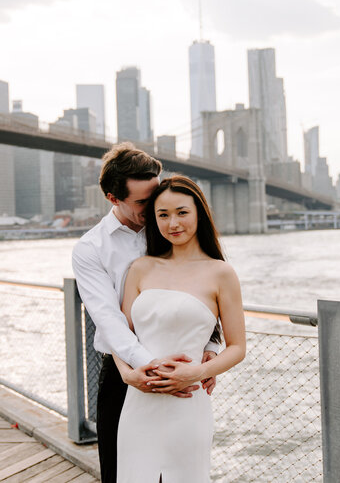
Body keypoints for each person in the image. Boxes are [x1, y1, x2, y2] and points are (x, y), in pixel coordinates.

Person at [72, 143, 221, 483]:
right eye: (143, 202)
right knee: (121, 472)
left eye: (154, 196)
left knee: (184, 471)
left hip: (185, 369)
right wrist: (142, 369)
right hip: (125, 373)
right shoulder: (91, 249)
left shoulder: (172, 227)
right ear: (113, 199)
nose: (155, 208)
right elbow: (108, 319)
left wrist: (209, 349)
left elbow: (204, 290)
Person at [114, 175, 246, 482]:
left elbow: (237, 346)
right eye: (163, 215)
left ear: (199, 212)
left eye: (182, 212)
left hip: (188, 401)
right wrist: (126, 374)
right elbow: (120, 335)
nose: (173, 223)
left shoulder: (221, 273)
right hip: (138, 401)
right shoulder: (140, 267)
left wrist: (196, 373)